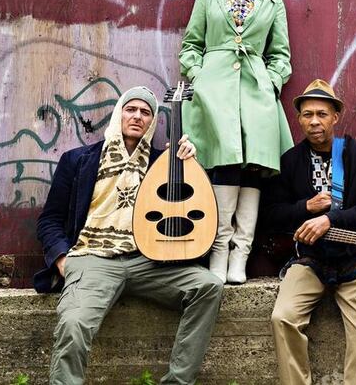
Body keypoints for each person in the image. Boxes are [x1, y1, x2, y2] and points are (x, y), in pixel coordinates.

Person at [34, 86, 223, 385]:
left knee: (209, 286)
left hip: (148, 260)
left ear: (152, 122)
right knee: (73, 323)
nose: (137, 116)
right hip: (94, 257)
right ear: (118, 112)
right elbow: (50, 220)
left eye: (146, 112)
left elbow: (193, 208)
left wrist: (189, 162)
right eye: (130, 109)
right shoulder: (78, 160)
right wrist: (62, 259)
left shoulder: (166, 164)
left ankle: (177, 382)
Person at [179, 0, 292, 284]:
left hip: (256, 94)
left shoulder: (273, 1)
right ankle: (218, 250)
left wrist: (271, 82)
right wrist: (202, 78)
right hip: (215, 94)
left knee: (253, 166)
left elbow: (281, 55)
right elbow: (190, 47)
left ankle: (240, 254)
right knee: (223, 163)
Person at [264, 79, 356, 385]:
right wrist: (305, 208)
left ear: (335, 117)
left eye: (321, 113)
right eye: (307, 115)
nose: (314, 121)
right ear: (299, 119)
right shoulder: (290, 162)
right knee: (283, 318)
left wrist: (331, 219)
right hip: (311, 261)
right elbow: (272, 215)